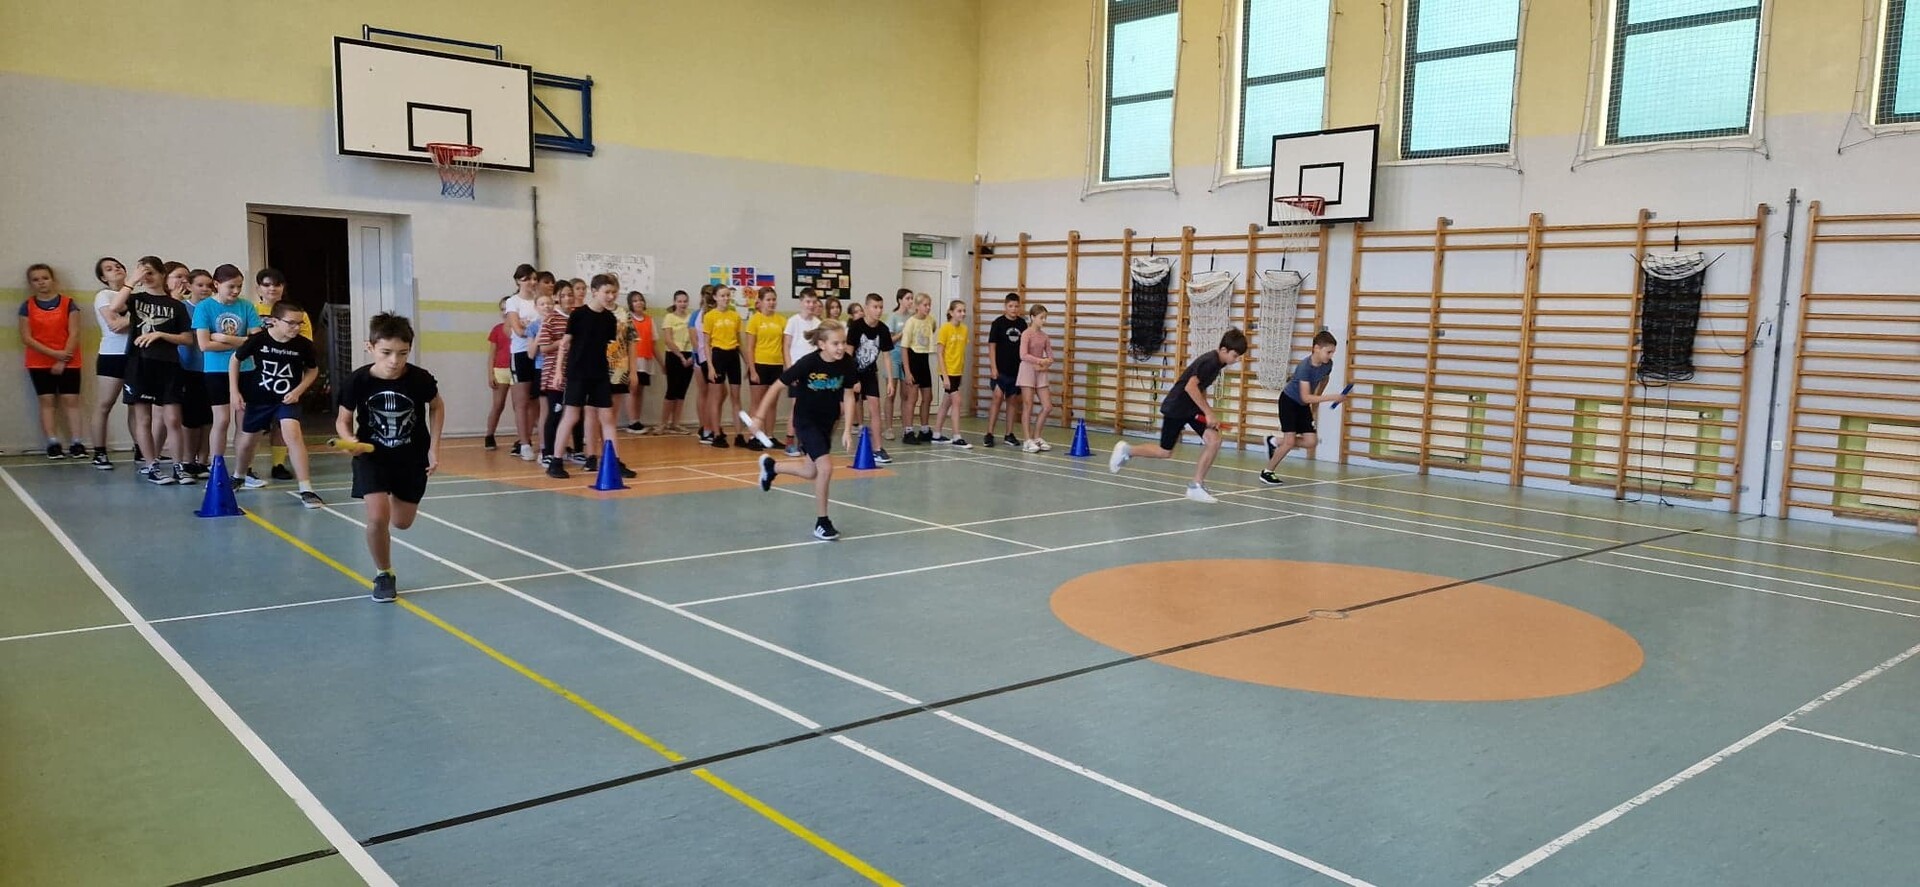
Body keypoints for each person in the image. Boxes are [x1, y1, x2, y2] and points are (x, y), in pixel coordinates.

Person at [335, 313, 443, 603]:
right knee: (377, 516)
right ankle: (384, 574)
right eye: (386, 352)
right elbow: (343, 421)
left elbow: (437, 407)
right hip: (372, 457)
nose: (394, 361)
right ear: (370, 347)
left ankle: (393, 497)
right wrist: (349, 440)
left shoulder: (419, 379)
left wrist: (434, 447)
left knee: (402, 522)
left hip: (411, 457)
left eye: (402, 353)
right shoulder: (357, 381)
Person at [1109, 328, 1248, 504]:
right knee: (1164, 452)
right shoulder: (1211, 362)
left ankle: (1196, 486)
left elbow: (1200, 387)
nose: (1236, 360)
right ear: (1223, 350)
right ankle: (1127, 450)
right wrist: (1208, 412)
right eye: (1235, 355)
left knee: (1214, 440)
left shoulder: (1219, 363)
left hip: (1191, 408)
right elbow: (1190, 387)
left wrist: (1207, 411)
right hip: (1177, 407)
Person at [752, 320, 857, 541]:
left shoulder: (847, 363)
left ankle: (772, 467)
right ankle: (822, 522)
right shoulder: (808, 363)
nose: (841, 347)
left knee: (811, 472)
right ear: (822, 344)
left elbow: (848, 395)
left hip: (827, 422)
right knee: (825, 467)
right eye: (835, 343)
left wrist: (847, 429)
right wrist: (759, 417)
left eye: (843, 342)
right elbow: (776, 386)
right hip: (806, 421)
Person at [114, 256, 195, 485]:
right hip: (140, 364)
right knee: (144, 419)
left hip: (168, 365)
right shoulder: (136, 298)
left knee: (173, 418)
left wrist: (160, 334)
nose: (146, 277)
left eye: (150, 272)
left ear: (162, 275)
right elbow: (115, 307)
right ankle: (152, 466)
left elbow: (187, 339)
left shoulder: (176, 305)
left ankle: (178, 466)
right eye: (142, 273)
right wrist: (132, 280)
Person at [230, 301, 320, 504]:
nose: (296, 328)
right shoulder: (259, 340)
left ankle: (306, 488)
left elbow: (312, 369)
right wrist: (234, 391)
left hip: (286, 399)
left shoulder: (303, 345)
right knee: (248, 442)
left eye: (299, 323)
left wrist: (298, 391)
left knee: (293, 434)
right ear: (274, 321)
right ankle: (239, 475)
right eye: (291, 323)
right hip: (259, 398)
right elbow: (235, 359)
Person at [546, 275, 634, 480]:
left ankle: (615, 461)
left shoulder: (610, 319)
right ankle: (556, 461)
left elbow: (605, 346)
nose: (611, 296)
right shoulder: (578, 315)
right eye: (606, 292)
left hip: (600, 374)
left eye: (613, 292)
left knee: (607, 418)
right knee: (571, 416)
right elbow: (565, 344)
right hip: (577, 373)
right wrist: (558, 372)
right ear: (594, 292)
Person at [193, 264, 260, 470]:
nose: (236, 291)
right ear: (217, 284)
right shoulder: (204, 307)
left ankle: (244, 469)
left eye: (239, 286)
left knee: (244, 421)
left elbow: (257, 340)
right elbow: (205, 345)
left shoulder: (246, 306)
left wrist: (223, 337)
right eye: (231, 286)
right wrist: (243, 341)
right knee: (221, 420)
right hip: (216, 371)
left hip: (245, 369)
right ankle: (217, 466)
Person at [1259, 330, 1346, 486]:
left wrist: (1316, 401)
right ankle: (1267, 472)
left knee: (1311, 441)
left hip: (1303, 404)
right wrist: (1333, 397)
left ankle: (1274, 441)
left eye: (1333, 352)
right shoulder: (1304, 367)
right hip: (1289, 402)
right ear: (1316, 348)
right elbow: (1305, 396)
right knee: (1290, 441)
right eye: (1329, 352)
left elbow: (1324, 380)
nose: (1331, 355)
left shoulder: (1328, 365)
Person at [20, 264, 85, 459]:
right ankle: (52, 443)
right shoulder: (27, 306)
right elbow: (27, 338)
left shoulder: (69, 304)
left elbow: (74, 333)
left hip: (69, 360)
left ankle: (77, 443)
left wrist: (63, 358)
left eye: (45, 278)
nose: (41, 282)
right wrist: (54, 354)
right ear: (30, 283)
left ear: (53, 280)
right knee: (46, 401)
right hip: (39, 362)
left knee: (71, 400)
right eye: (36, 280)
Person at [251, 268, 308, 480]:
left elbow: (305, 343)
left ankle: (278, 464)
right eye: (266, 285)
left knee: (283, 423)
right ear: (258, 288)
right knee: (254, 425)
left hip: (287, 376)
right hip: (258, 375)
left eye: (277, 284)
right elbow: (248, 341)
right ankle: (247, 467)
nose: (272, 289)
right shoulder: (251, 309)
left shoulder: (297, 313)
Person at [89, 257, 133, 469]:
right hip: (112, 355)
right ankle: (99, 452)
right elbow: (115, 325)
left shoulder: (136, 297)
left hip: (135, 355)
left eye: (118, 266)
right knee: (105, 404)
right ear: (103, 277)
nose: (115, 269)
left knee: (137, 406)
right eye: (109, 269)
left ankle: (142, 450)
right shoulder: (104, 295)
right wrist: (140, 320)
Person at [844, 292, 895, 463]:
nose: (878, 310)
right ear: (866, 308)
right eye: (875, 307)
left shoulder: (883, 329)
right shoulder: (856, 327)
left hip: (870, 373)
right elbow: (848, 354)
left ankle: (877, 448)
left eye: (881, 307)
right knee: (842, 408)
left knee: (875, 407)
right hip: (853, 372)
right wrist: (853, 379)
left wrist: (890, 380)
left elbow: (886, 356)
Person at [176, 268, 216, 477]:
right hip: (188, 368)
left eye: (209, 285)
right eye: (200, 285)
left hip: (211, 368)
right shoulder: (182, 307)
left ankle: (203, 460)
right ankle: (188, 460)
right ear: (189, 286)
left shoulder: (214, 308)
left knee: (208, 417)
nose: (205, 289)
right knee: (191, 418)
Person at [502, 264, 540, 461]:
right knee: (522, 401)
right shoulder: (513, 301)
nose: (531, 282)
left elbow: (546, 325)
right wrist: (534, 329)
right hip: (520, 353)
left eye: (534, 279)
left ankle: (540, 442)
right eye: (526, 279)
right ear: (518, 281)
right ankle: (524, 443)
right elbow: (518, 330)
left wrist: (531, 327)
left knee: (538, 400)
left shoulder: (540, 301)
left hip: (540, 353)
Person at [742, 286, 786, 451]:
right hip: (760, 364)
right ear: (760, 302)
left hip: (776, 365)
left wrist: (786, 366)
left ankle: (770, 436)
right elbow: (750, 348)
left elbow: (784, 346)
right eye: (768, 300)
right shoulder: (755, 320)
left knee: (772, 403)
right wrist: (752, 370)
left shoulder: (781, 320)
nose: (771, 303)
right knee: (757, 403)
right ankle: (753, 437)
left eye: (774, 299)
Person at [701, 285, 746, 447]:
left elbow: (739, 342)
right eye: (722, 296)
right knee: (716, 397)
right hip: (718, 355)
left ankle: (739, 435)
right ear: (715, 297)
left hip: (733, 356)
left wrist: (748, 363)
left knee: (736, 397)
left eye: (728, 295)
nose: (726, 298)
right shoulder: (710, 316)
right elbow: (706, 344)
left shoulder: (735, 316)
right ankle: (717, 434)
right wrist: (710, 367)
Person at [781, 288, 823, 455]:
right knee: (796, 406)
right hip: (797, 370)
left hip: (813, 373)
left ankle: (804, 441)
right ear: (801, 302)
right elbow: (786, 346)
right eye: (807, 302)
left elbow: (819, 349)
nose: (811, 305)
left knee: (811, 408)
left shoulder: (818, 324)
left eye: (813, 302)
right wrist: (790, 369)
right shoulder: (793, 321)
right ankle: (789, 441)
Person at [982, 292, 1027, 448]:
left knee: (1012, 401)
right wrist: (993, 367)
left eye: (1016, 306)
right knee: (997, 397)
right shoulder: (998, 323)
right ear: (1005, 306)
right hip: (1000, 369)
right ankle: (989, 433)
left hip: (1016, 370)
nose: (1014, 309)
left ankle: (1009, 434)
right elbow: (992, 346)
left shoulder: (1022, 324)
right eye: (1010, 306)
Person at [931, 299, 972, 448]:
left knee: (946, 403)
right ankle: (956, 436)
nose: (962, 313)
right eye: (959, 311)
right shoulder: (945, 329)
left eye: (964, 311)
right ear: (951, 312)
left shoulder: (964, 329)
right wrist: (945, 376)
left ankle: (936, 434)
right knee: (957, 401)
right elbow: (940, 353)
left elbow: (960, 352)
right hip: (947, 371)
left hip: (957, 371)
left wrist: (960, 373)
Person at [1017, 304, 1055, 452]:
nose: (1044, 320)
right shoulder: (1026, 334)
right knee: (1028, 405)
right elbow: (1023, 355)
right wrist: (1040, 361)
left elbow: (1051, 357)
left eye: (1045, 318)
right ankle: (1027, 440)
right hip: (1027, 370)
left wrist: (1045, 364)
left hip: (1040, 372)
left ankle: (1037, 437)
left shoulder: (1045, 336)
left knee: (1047, 406)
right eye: (1041, 317)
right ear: (1032, 317)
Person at [900, 293, 936, 444]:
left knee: (928, 396)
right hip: (912, 358)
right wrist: (907, 371)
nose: (928, 308)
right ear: (917, 306)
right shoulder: (911, 322)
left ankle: (924, 430)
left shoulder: (930, 320)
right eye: (925, 305)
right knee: (912, 397)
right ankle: (908, 431)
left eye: (929, 305)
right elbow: (904, 348)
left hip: (923, 359)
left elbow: (932, 329)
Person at [659, 290, 694, 433]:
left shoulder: (691, 317)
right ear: (674, 302)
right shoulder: (669, 317)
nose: (682, 304)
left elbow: (696, 338)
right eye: (679, 301)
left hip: (690, 356)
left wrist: (692, 357)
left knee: (682, 391)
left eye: (685, 301)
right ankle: (663, 424)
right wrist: (680, 356)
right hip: (673, 355)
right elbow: (668, 340)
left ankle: (676, 423)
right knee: (671, 390)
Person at [884, 288, 914, 441]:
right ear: (900, 300)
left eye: (911, 298)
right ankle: (889, 428)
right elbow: (889, 340)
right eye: (908, 298)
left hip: (907, 358)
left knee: (906, 395)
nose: (910, 301)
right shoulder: (893, 317)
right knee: (891, 394)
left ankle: (905, 428)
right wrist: (903, 332)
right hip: (894, 357)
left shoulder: (912, 317)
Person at [624, 291, 654, 433]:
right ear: (630, 304)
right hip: (633, 360)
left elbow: (653, 343)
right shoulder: (627, 319)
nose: (638, 303)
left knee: (640, 391)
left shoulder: (649, 319)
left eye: (640, 300)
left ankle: (637, 419)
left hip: (646, 360)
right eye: (635, 300)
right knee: (632, 390)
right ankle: (632, 421)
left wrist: (661, 363)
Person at [483, 300, 512, 450]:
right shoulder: (497, 329)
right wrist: (491, 374)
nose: (505, 312)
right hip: (500, 371)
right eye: (502, 309)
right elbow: (492, 355)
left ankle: (523, 440)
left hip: (517, 370)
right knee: (498, 405)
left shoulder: (521, 328)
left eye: (507, 308)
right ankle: (489, 435)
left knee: (520, 406)